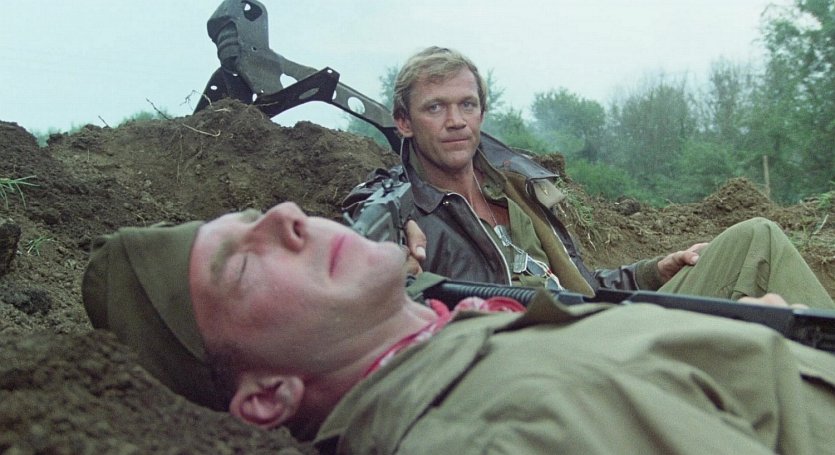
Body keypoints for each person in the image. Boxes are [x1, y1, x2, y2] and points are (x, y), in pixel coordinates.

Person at [82, 202, 835, 454]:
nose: (286, 215)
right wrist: (758, 348)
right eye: (243, 265)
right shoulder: (503, 431)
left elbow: (573, 283)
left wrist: (747, 342)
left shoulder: (459, 327)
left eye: (257, 215)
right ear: (268, 394)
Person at [347, 46, 833, 307]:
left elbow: (577, 283)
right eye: (435, 108)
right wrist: (394, 270)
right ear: (404, 122)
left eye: (467, 105)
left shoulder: (513, 189)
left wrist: (652, 272)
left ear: (482, 113)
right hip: (543, 353)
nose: (456, 121)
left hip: (593, 317)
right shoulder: (401, 209)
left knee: (758, 238)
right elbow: (363, 249)